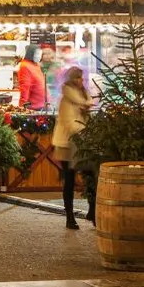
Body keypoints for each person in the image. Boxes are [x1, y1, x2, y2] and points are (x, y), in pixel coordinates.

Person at [52, 66, 95, 230]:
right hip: (66, 144)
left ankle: (92, 210)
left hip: (82, 143)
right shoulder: (66, 99)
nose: (80, 81)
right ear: (71, 80)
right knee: (69, 180)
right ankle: (70, 217)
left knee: (90, 174)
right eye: (77, 78)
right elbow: (69, 123)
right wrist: (84, 129)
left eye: (81, 78)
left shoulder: (84, 96)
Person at [17, 45, 48, 111]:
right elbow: (25, 87)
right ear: (30, 53)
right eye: (36, 54)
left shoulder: (36, 65)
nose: (39, 57)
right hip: (34, 107)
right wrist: (22, 107)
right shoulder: (25, 66)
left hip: (42, 105)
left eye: (40, 54)